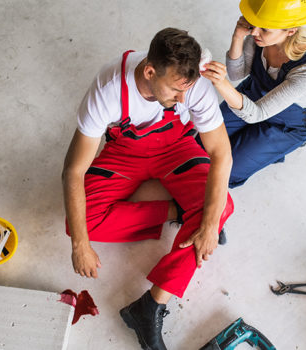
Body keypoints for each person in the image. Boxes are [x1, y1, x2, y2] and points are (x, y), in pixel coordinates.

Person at [61, 28, 234, 349]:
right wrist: (80, 246)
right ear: (150, 71)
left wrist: (210, 225)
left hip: (176, 147)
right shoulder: (109, 89)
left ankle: (151, 304)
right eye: (174, 90)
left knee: (220, 207)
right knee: (79, 224)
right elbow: (73, 171)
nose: (183, 99)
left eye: (187, 90)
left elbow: (221, 153)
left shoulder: (189, 83)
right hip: (126, 152)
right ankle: (181, 211)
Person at [201, 0, 306, 188]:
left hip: (286, 126)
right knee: (198, 146)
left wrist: (221, 84)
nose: (254, 32)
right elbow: (237, 73)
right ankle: (258, 147)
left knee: (224, 172)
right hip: (252, 95)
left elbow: (257, 114)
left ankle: (273, 149)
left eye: (265, 29)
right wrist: (238, 36)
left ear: (291, 30)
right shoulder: (259, 37)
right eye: (255, 25)